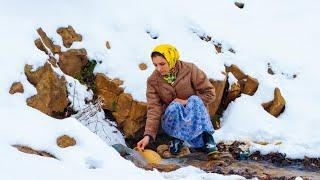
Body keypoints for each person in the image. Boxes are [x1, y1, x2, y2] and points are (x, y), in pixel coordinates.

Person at [137, 44, 218, 155]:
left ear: (172, 59)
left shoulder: (190, 69)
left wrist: (186, 102)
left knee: (194, 99)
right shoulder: (153, 80)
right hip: (173, 119)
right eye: (155, 65)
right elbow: (154, 109)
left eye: (162, 64)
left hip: (194, 119)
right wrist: (148, 135)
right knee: (175, 106)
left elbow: (210, 93)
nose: (158, 69)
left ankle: (208, 139)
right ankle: (176, 138)